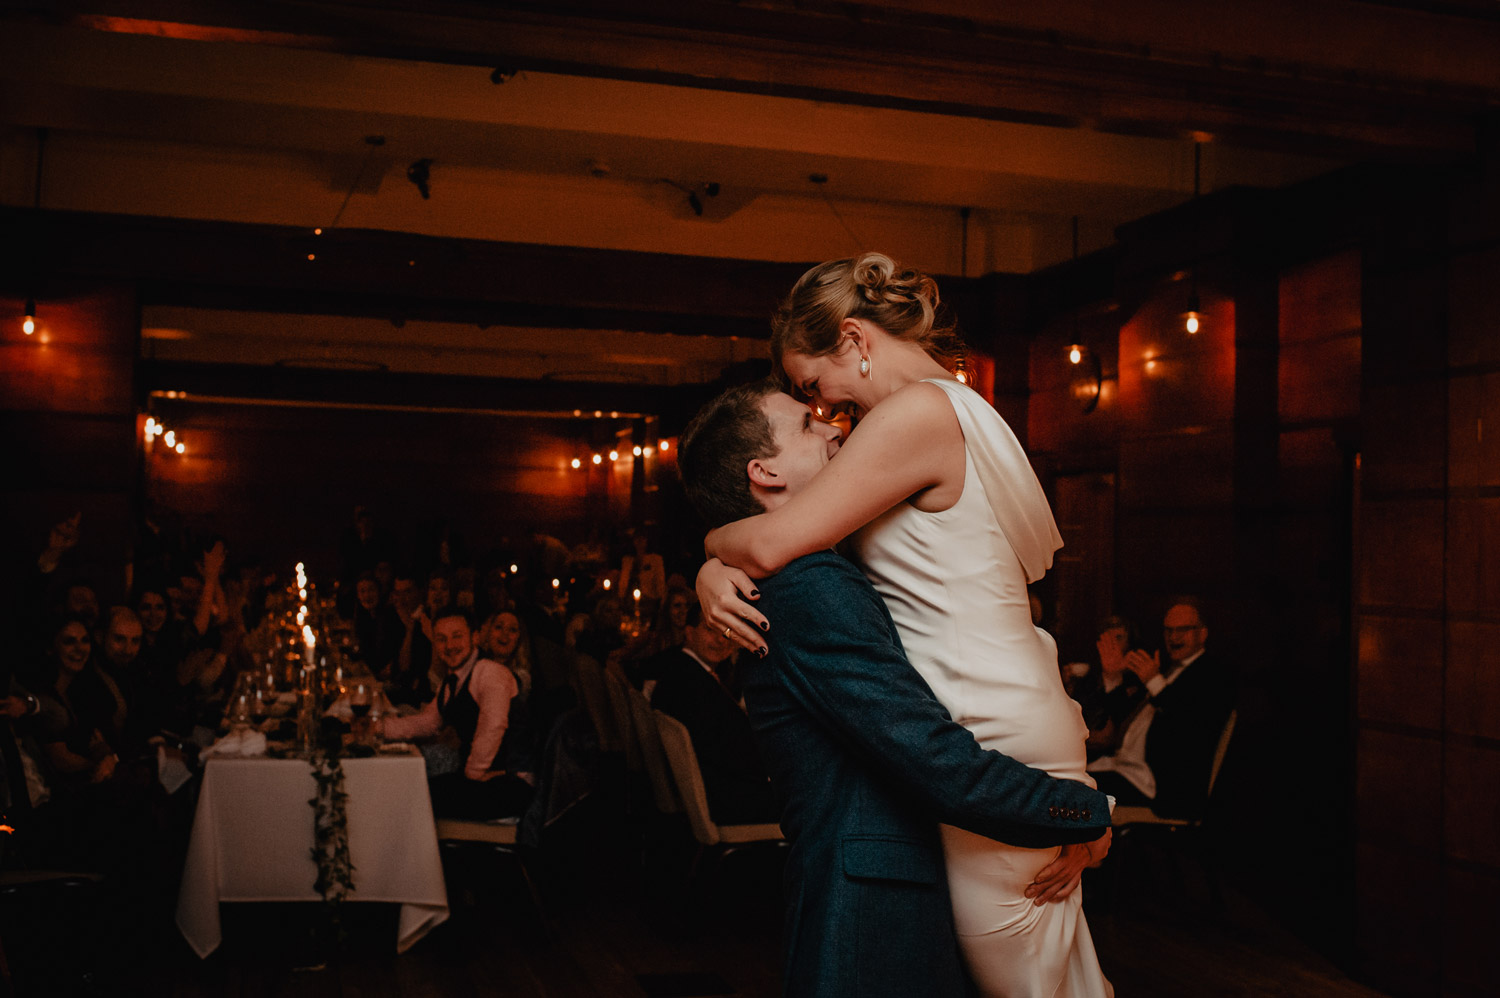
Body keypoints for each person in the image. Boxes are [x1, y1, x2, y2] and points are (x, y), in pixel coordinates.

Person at [698, 254, 1111, 997]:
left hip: (986, 729)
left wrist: (709, 553)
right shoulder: (941, 411)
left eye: (811, 385)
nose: (823, 410)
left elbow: (767, 542)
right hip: (995, 713)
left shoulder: (913, 415)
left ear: (854, 341)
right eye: (805, 403)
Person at [378, 608, 533, 821]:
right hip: (480, 779)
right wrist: (376, 727)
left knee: (410, 798)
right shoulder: (454, 679)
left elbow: (493, 726)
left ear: (475, 637)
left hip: (510, 785)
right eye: (441, 639)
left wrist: (473, 775)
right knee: (405, 788)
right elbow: (428, 722)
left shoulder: (490, 673)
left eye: (457, 637)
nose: (449, 646)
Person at [1087, 598, 1235, 819]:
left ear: (1202, 634)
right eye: (1168, 630)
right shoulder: (1167, 669)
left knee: (1069, 790)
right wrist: (1113, 677)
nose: (1173, 637)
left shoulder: (1213, 675)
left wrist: (1155, 682)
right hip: (1123, 769)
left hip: (1158, 786)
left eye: (1182, 630)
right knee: (1063, 779)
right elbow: (1122, 719)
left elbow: (1191, 725)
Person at [649, 602, 777, 824]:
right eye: (710, 630)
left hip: (715, 790)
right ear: (689, 633)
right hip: (728, 801)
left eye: (727, 633)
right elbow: (729, 752)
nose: (720, 640)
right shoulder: (691, 685)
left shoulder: (684, 671)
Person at [1067, 615, 1148, 760]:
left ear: (1130, 642)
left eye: (1119, 638)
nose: (1113, 644)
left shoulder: (1140, 678)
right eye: (1108, 638)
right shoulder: (1091, 675)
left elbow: (1117, 731)